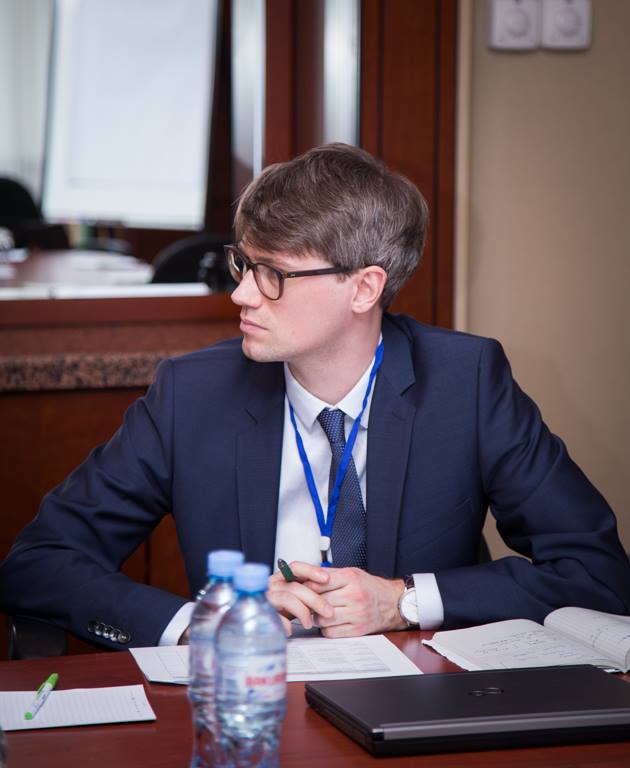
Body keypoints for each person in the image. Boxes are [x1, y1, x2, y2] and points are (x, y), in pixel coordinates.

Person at [1, 144, 629, 649]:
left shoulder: (465, 383)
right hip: (249, 700)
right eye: (242, 265)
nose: (242, 294)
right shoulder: (191, 394)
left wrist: (405, 600)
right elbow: (39, 563)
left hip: (419, 707)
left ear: (364, 288)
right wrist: (204, 623)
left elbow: (597, 572)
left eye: (273, 273)